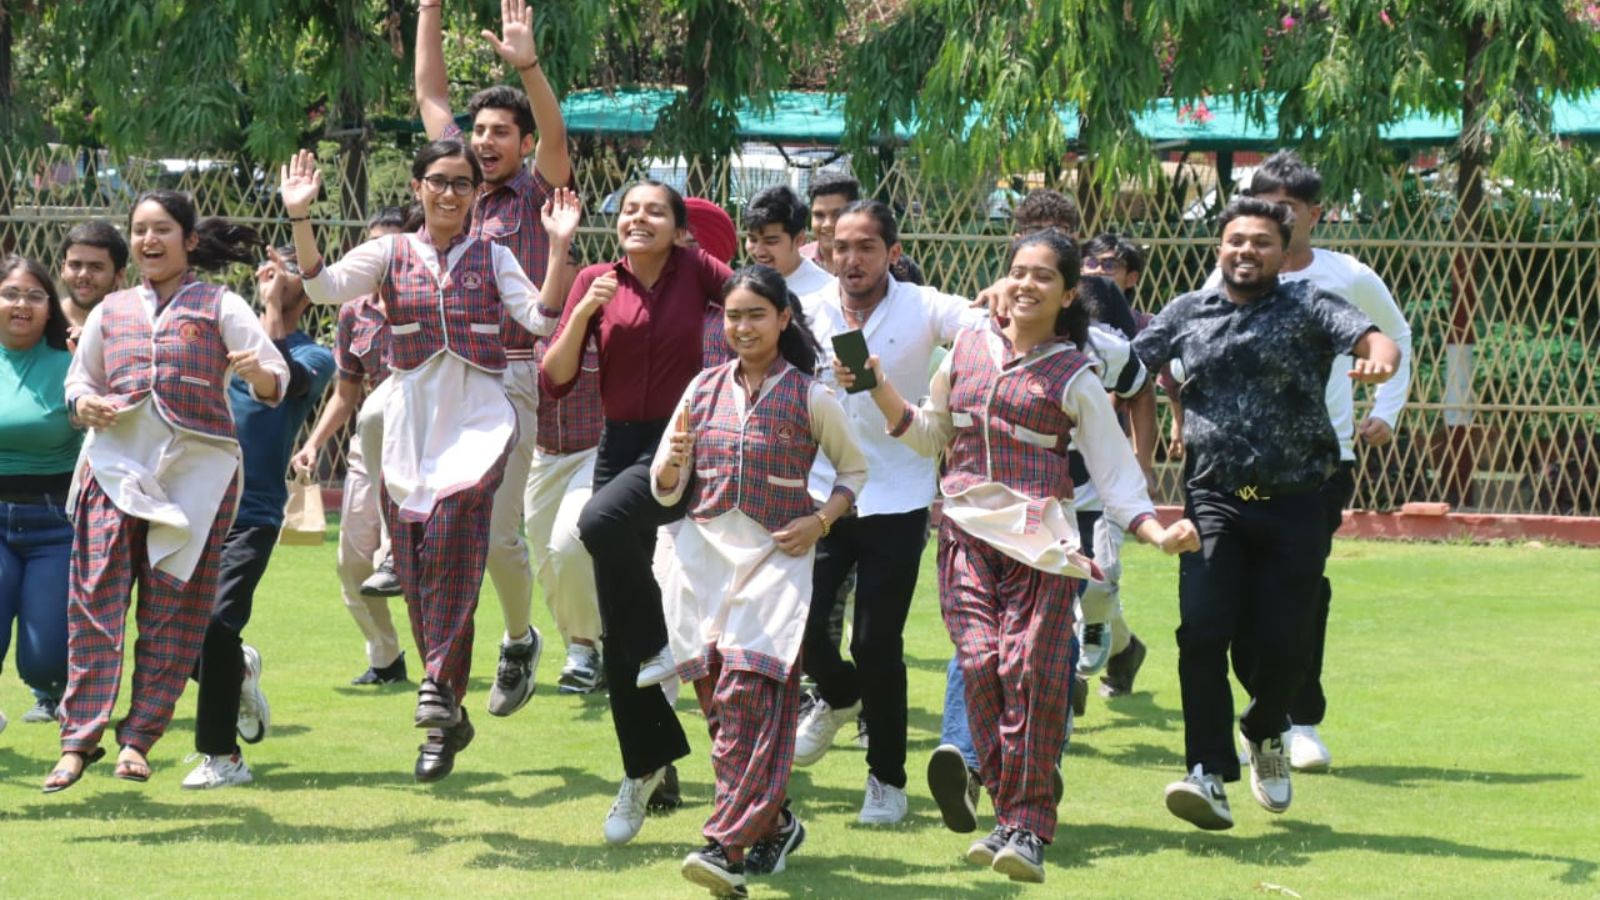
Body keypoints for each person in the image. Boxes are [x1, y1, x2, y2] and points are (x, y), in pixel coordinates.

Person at [841, 229, 1196, 882]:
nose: (1025, 284)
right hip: (966, 536)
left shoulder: (1076, 374)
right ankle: (1015, 809)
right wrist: (874, 385)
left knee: (1027, 667)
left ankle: (1025, 827)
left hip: (1044, 546)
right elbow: (929, 434)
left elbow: (1116, 474)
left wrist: (1154, 530)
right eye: (1017, 271)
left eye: (1042, 276)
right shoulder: (968, 347)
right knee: (979, 663)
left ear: (1068, 295)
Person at [283, 141, 558, 783]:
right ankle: (448, 714)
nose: (451, 194)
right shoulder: (389, 253)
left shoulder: (495, 254)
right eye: (440, 182)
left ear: (474, 193)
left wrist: (562, 246)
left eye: (464, 184)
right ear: (418, 187)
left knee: (458, 535)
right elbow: (323, 287)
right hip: (410, 420)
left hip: (482, 414)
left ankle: (436, 693)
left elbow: (540, 321)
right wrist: (301, 218)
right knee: (417, 558)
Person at [1134, 196, 1398, 830]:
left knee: (1286, 641)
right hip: (1216, 497)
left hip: (1297, 500)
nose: (1246, 250)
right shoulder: (1186, 312)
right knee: (1201, 630)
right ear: (1218, 248)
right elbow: (1124, 366)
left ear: (1284, 253)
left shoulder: (1310, 304)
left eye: (1260, 242)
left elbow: (1373, 338)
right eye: (1235, 241)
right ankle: (1206, 771)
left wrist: (1380, 359)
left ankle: (1265, 727)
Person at [45, 192, 288, 792]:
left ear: (189, 241)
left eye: (162, 230)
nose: (150, 240)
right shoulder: (111, 309)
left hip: (193, 482)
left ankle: (139, 741)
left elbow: (275, 377)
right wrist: (85, 403)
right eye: (140, 230)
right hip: (114, 471)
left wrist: (254, 372)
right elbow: (80, 381)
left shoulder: (221, 303)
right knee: (95, 604)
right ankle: (78, 741)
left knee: (173, 615)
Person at [652, 266, 866, 896]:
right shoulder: (700, 389)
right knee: (719, 706)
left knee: (755, 697)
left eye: (755, 315)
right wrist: (670, 465)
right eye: (732, 316)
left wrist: (819, 522)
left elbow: (855, 472)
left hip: (777, 560)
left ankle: (725, 846)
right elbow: (667, 487)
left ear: (783, 320)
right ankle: (773, 824)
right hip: (703, 560)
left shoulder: (810, 395)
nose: (741, 327)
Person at [540, 179, 733, 845]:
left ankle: (659, 644)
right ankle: (643, 768)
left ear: (679, 228)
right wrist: (581, 312)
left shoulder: (696, 272)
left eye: (654, 210)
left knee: (595, 526)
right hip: (617, 443)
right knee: (617, 628)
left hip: (679, 444)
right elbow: (555, 376)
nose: (638, 218)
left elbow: (750, 301)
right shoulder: (595, 279)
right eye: (628, 209)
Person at [1214, 151, 1413, 771]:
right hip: (1240, 467)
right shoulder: (1228, 275)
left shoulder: (1345, 275)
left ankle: (1298, 720)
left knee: (1300, 589)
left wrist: (1387, 406)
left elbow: (1396, 335)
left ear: (1313, 215)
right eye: (1263, 205)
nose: (1272, 220)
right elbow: (1186, 346)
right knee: (1241, 590)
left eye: (1287, 210)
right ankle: (1260, 711)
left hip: (1322, 461)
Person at [792, 200, 987, 825]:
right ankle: (840, 698)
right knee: (801, 624)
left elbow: (984, 321)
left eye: (866, 248)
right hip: (824, 490)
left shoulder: (924, 306)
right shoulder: (809, 307)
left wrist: (1008, 284)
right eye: (840, 247)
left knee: (877, 641)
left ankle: (887, 780)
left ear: (892, 254)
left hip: (898, 494)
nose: (850, 259)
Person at [416, 0, 573, 714]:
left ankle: (518, 640)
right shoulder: (455, 184)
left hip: (512, 376)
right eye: (478, 131)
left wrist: (528, 65)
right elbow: (429, 94)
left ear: (522, 142)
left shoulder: (538, 189)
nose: (483, 141)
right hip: (441, 374)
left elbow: (556, 132)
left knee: (501, 536)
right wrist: (427, 9)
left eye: (500, 132)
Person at [183, 246, 336, 789]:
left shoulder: (317, 358)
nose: (275, 273)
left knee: (217, 625)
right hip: (192, 508)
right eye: (271, 266)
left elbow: (277, 381)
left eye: (289, 267)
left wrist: (270, 310)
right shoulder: (217, 343)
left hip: (252, 514)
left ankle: (223, 757)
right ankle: (240, 669)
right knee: (181, 633)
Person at [291, 208, 413, 686]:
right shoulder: (353, 312)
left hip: (425, 444)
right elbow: (346, 393)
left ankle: (443, 666)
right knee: (352, 564)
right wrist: (314, 444)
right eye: (370, 249)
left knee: (402, 557)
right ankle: (386, 658)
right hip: (371, 445)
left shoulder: (431, 303)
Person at [522, 192, 606, 693]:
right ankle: (594, 645)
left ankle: (583, 649)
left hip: (595, 452)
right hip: (540, 458)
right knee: (548, 564)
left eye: (563, 259)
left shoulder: (599, 314)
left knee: (569, 545)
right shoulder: (514, 319)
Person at [0, 256, 79, 734]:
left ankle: (59, 689)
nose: (21, 305)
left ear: (51, 308)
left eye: (34, 295)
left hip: (56, 523)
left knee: (45, 662)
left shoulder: (72, 364)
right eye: (11, 294)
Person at [742, 185, 834, 297]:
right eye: (752, 239)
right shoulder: (743, 287)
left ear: (799, 240)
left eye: (770, 241)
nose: (759, 251)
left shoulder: (826, 293)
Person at [58, 221, 129, 342]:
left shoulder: (133, 327)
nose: (83, 275)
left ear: (119, 275)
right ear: (63, 269)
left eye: (96, 267)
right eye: (75, 265)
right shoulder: (42, 321)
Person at [799, 174, 860, 274]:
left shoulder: (869, 263)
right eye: (819, 215)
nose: (827, 224)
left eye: (837, 214)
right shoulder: (798, 262)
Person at [1081, 232, 1146, 304]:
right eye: (1091, 264)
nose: (1098, 270)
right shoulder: (1067, 314)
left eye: (1109, 265)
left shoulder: (1133, 316)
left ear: (1131, 278)